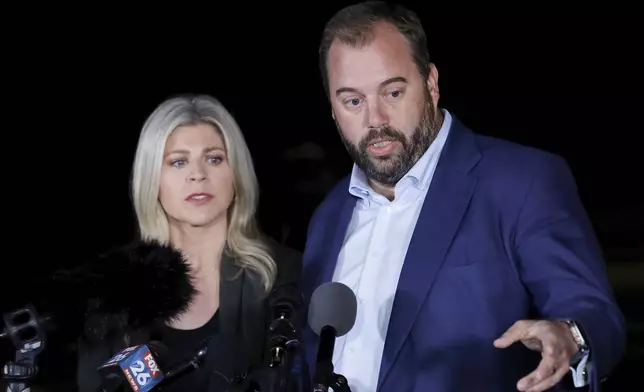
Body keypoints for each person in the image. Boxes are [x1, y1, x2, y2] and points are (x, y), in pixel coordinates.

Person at [300, 2, 626, 392]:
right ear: (333, 110)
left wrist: (568, 336)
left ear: (432, 84)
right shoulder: (328, 216)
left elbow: (595, 315)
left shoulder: (521, 182)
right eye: (353, 100)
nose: (375, 119)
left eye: (393, 92)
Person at [62, 94, 302, 392]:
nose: (198, 175)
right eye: (178, 162)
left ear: (236, 174)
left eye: (214, 159)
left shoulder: (282, 273)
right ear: (153, 180)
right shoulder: (113, 286)